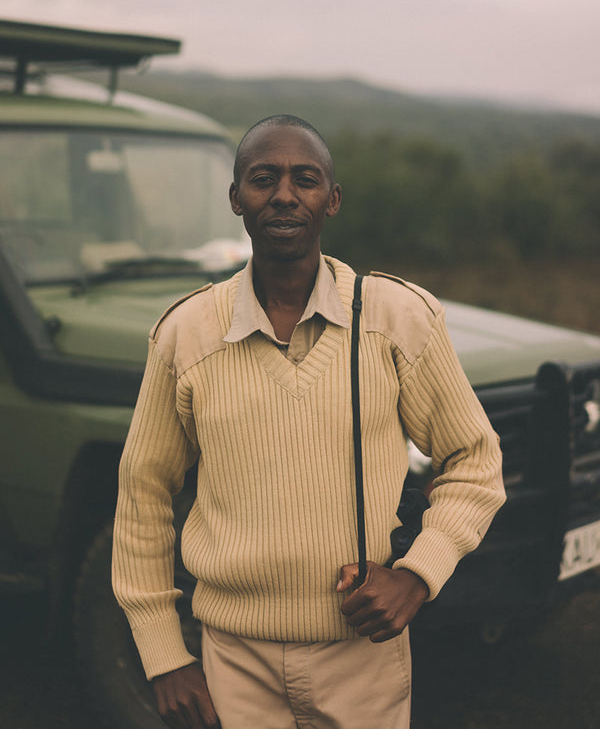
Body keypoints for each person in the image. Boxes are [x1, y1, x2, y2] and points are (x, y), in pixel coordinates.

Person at [112, 115, 505, 729]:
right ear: (236, 198)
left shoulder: (397, 317)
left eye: (307, 178)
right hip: (231, 657)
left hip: (363, 657)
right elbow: (143, 495)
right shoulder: (186, 333)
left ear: (334, 199)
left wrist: (417, 575)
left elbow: (475, 461)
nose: (285, 195)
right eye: (263, 178)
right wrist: (164, 656)